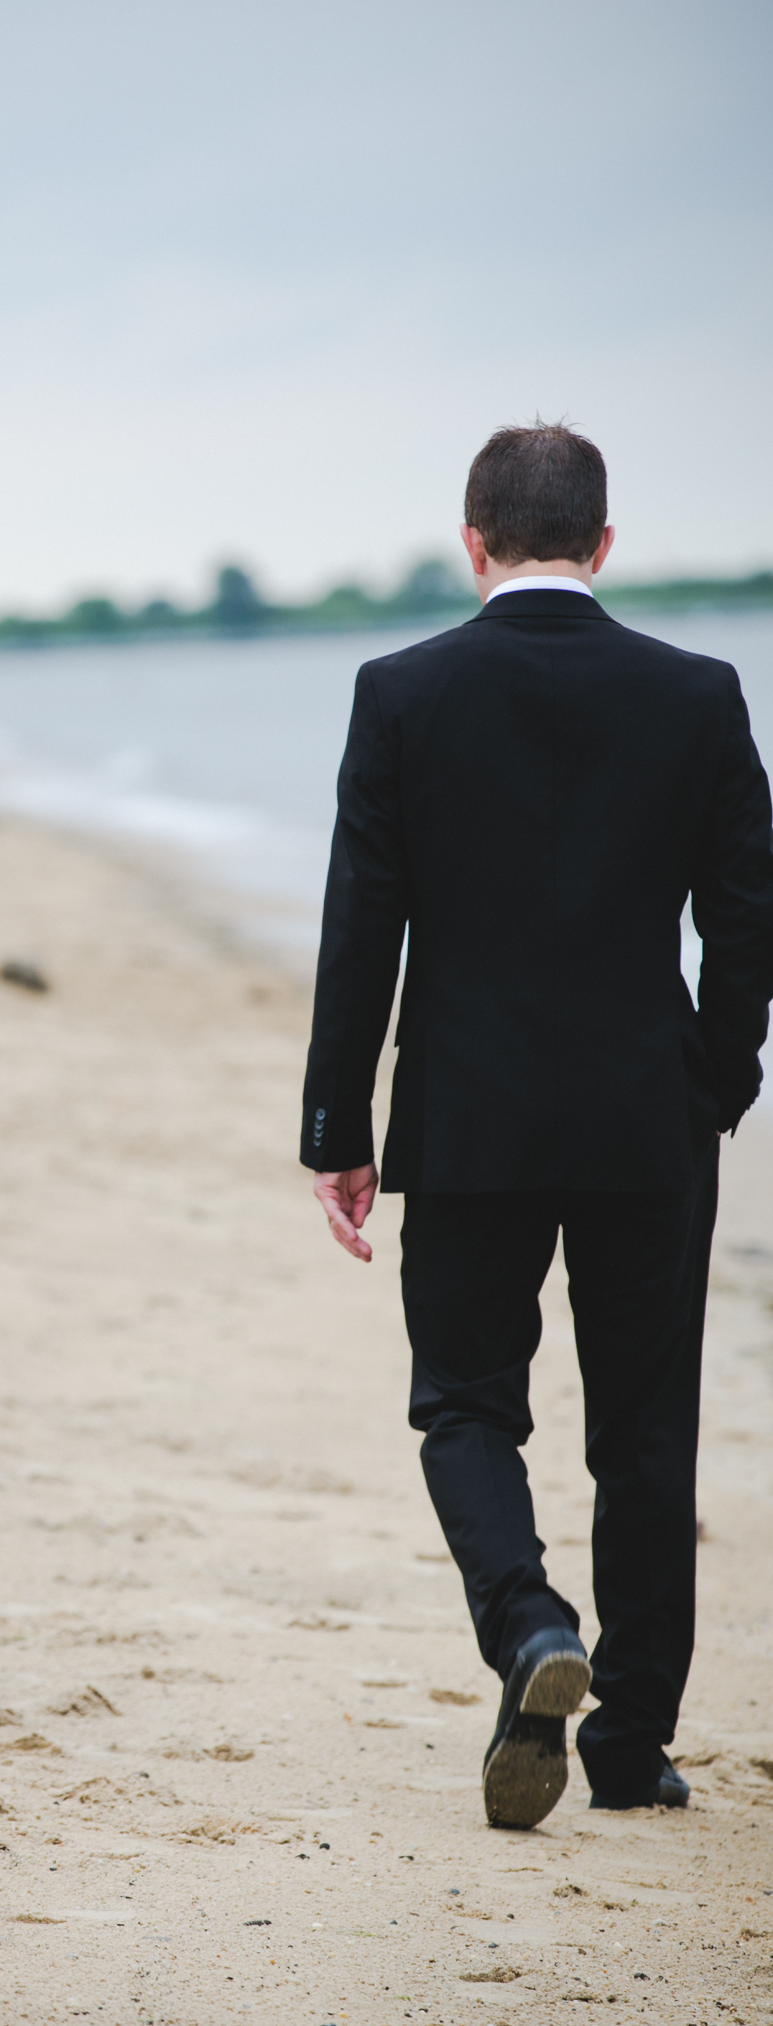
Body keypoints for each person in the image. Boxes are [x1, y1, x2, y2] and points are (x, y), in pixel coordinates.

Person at [301, 423, 773, 1830]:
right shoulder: (699, 692)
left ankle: (525, 1623)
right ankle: (631, 1742)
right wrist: (715, 1080)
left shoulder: (403, 691)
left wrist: (340, 1121)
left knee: (462, 1401)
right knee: (644, 1433)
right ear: (605, 543)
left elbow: (359, 926)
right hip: (645, 1119)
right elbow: (748, 913)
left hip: (469, 1115)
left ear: (474, 540)